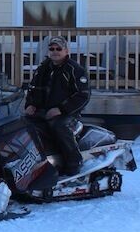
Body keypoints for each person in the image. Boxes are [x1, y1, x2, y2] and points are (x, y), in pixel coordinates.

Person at [24, 36, 90, 176]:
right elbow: (33, 89)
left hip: (67, 113)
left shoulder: (75, 69)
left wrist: (60, 109)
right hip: (43, 110)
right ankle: (33, 163)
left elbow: (83, 95)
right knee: (23, 126)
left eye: (58, 49)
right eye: (52, 49)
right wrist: (30, 105)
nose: (55, 51)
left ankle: (74, 161)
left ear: (66, 51)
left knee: (59, 127)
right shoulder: (43, 68)